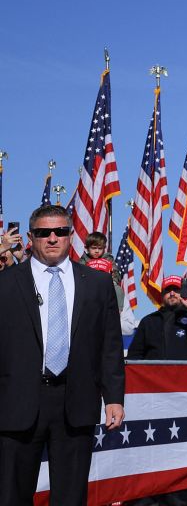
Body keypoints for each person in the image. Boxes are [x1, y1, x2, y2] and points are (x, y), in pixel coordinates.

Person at [0, 205, 125, 504]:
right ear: (31, 237)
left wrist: (115, 397)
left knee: (71, 497)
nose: (53, 238)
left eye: (61, 232)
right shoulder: (5, 283)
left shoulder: (96, 284)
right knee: (10, 495)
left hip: (76, 400)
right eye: (44, 233)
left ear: (71, 236)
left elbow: (109, 344)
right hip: (17, 402)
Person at [128, 275, 187, 360]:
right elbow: (134, 355)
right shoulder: (148, 321)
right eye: (168, 290)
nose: (172, 293)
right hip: (155, 374)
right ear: (162, 295)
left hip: (185, 373)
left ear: (183, 293)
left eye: (176, 290)